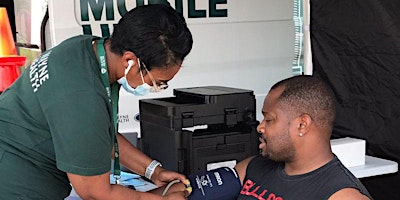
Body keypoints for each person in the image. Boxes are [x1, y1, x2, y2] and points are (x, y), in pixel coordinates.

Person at [0, 4, 193, 200]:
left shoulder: (84, 48)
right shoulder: (83, 97)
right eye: (158, 82)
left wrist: (153, 171)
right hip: (16, 180)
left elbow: (98, 135)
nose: (157, 88)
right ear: (130, 61)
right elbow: (94, 193)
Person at [159, 75, 373, 200]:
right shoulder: (255, 166)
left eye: (269, 120)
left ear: (302, 124)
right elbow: (188, 188)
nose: (260, 127)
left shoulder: (341, 195)